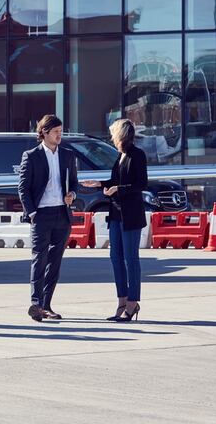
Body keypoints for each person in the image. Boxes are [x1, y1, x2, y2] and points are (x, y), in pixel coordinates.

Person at [81, 119, 147, 322]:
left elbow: (141, 184)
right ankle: (122, 300)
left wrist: (119, 189)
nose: (111, 138)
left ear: (121, 135)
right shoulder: (120, 156)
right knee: (115, 257)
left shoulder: (137, 155)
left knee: (130, 259)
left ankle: (133, 302)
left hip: (131, 214)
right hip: (116, 213)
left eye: (113, 134)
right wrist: (100, 183)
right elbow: (116, 181)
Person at [17, 114, 79, 322]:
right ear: (44, 132)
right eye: (56, 132)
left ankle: (47, 305)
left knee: (55, 262)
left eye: (61, 131)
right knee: (39, 259)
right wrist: (32, 213)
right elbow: (23, 188)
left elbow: (74, 183)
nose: (60, 135)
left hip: (62, 213)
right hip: (41, 214)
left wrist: (73, 195)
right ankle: (36, 303)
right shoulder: (31, 156)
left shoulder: (68, 155)